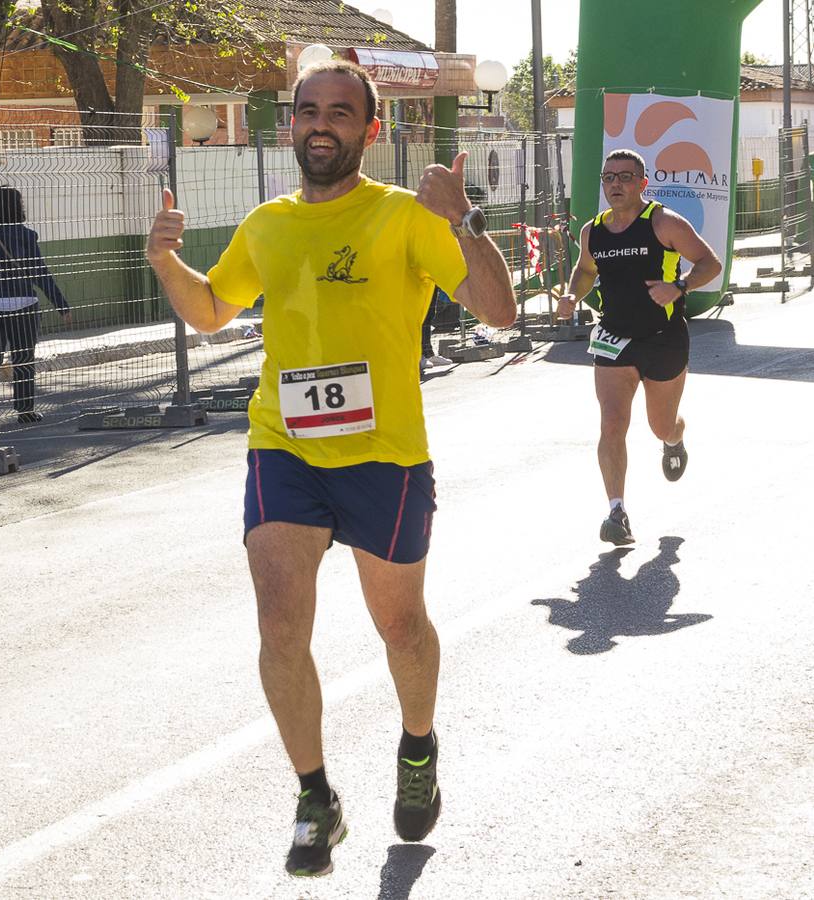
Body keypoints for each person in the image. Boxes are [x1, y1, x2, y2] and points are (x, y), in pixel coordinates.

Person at [145, 60, 515, 875]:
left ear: (369, 131)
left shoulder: (407, 217)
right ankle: (316, 797)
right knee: (279, 622)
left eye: (340, 113)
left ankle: (417, 748)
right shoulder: (268, 223)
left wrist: (463, 221)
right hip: (285, 447)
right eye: (308, 110)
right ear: (291, 125)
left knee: (400, 627)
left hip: (384, 456)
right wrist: (168, 261)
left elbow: (499, 311)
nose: (321, 124)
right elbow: (213, 311)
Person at [558, 149, 721, 546]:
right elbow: (585, 269)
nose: (616, 184)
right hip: (614, 338)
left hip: (662, 339)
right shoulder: (593, 230)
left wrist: (678, 287)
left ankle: (674, 438)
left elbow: (710, 263)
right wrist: (571, 296)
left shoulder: (663, 223)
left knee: (659, 424)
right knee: (612, 423)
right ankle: (617, 512)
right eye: (609, 177)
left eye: (625, 177)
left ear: (642, 183)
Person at [0, 186, 70, 424]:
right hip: (24, 305)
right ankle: (25, 410)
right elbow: (41, 273)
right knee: (23, 359)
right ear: (17, 206)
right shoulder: (26, 236)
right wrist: (61, 305)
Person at [419, 286, 454, 372]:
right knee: (422, 315)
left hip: (430, 280)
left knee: (430, 313)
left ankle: (428, 353)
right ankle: (420, 355)